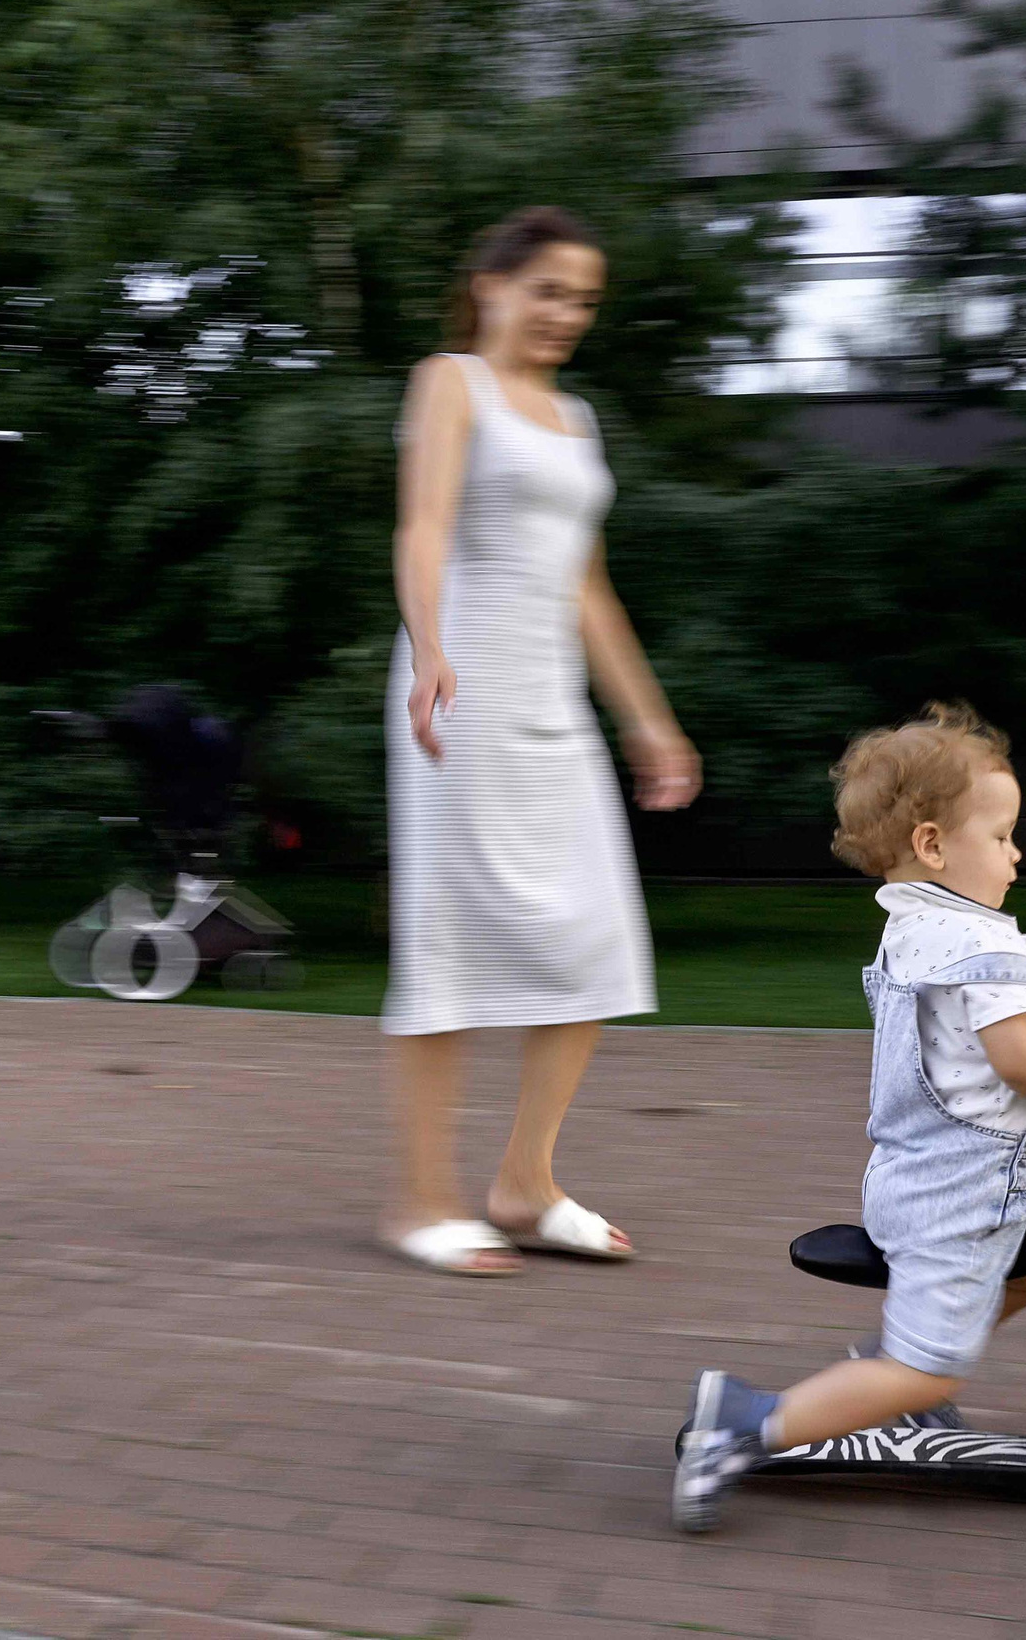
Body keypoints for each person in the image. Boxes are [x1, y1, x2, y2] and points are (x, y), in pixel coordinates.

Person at [673, 702, 1026, 1531]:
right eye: (1001, 837)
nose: (1017, 855)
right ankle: (745, 1425)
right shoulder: (982, 948)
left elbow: (964, 1065)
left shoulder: (912, 932)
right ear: (932, 845)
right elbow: (1019, 1057)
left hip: (914, 1178)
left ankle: (884, 1379)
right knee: (935, 1367)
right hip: (956, 1202)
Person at [381, 207, 702, 1277]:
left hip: (552, 705)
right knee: (451, 940)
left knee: (593, 937)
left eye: (583, 300)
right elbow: (420, 527)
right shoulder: (450, 382)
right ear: (491, 285)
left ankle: (525, 1180)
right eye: (547, 290)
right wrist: (428, 646)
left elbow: (587, 586)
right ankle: (424, 1200)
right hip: (458, 690)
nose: (565, 314)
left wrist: (646, 719)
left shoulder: (576, 419)